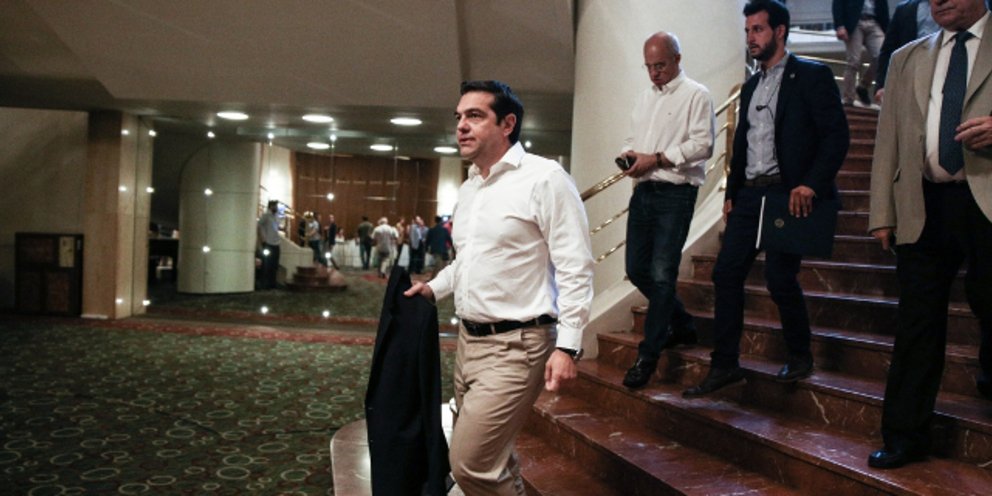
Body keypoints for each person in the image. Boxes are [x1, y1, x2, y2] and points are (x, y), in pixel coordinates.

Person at [404, 80, 594, 495]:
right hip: (468, 342)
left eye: (475, 116)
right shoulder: (471, 187)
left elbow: (575, 266)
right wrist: (433, 288)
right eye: (459, 117)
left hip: (518, 345)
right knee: (495, 457)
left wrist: (568, 346)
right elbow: (467, 262)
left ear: (508, 124)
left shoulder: (545, 178)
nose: (461, 126)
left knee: (470, 463)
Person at [683, 0, 850, 398]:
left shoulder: (811, 75)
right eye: (747, 31)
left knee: (779, 278)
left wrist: (811, 184)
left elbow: (836, 136)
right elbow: (742, 144)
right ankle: (725, 364)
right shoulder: (751, 86)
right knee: (725, 274)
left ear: (780, 31)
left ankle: (800, 355)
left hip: (787, 195)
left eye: (757, 29)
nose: (750, 38)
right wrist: (732, 193)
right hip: (749, 195)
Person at [867, 0, 992, 469]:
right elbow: (888, 139)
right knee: (916, 324)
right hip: (922, 204)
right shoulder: (906, 58)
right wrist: (883, 212)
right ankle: (904, 436)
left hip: (986, 202)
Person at [619, 32, 716, 389]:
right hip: (643, 190)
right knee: (636, 269)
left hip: (676, 194)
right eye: (648, 66)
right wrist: (630, 156)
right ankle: (684, 324)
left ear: (677, 58)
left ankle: (648, 355)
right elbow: (633, 140)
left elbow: (704, 145)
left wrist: (657, 159)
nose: (654, 73)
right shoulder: (645, 97)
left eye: (659, 65)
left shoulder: (697, 94)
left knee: (662, 275)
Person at [875, 0, 939, 102]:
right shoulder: (905, 9)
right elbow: (888, 49)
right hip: (910, 70)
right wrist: (882, 84)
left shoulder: (951, 8)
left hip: (939, 67)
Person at [834, 0, 891, 107]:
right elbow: (838, 3)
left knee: (882, 57)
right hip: (854, 22)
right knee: (853, 62)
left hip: (874, 22)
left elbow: (883, 6)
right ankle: (848, 99)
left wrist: (888, 31)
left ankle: (863, 86)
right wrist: (839, 25)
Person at [256, 200, 282, 290]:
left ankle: (272, 283)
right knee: (267, 264)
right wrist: (262, 238)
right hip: (268, 243)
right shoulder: (266, 215)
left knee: (275, 264)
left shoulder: (276, 216)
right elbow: (259, 225)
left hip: (276, 243)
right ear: (271, 206)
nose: (277, 208)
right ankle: (265, 284)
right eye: (275, 206)